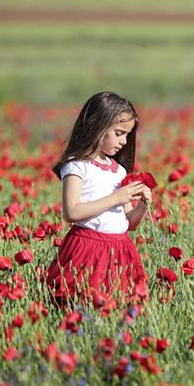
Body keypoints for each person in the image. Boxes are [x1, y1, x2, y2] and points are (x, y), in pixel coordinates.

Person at [44, 91, 151, 307]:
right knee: (83, 304)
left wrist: (143, 205)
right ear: (97, 127)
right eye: (119, 133)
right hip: (87, 248)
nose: (124, 141)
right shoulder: (77, 166)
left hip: (120, 250)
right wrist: (116, 198)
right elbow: (71, 212)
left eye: (128, 135)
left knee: (118, 307)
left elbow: (129, 222)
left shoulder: (119, 171)